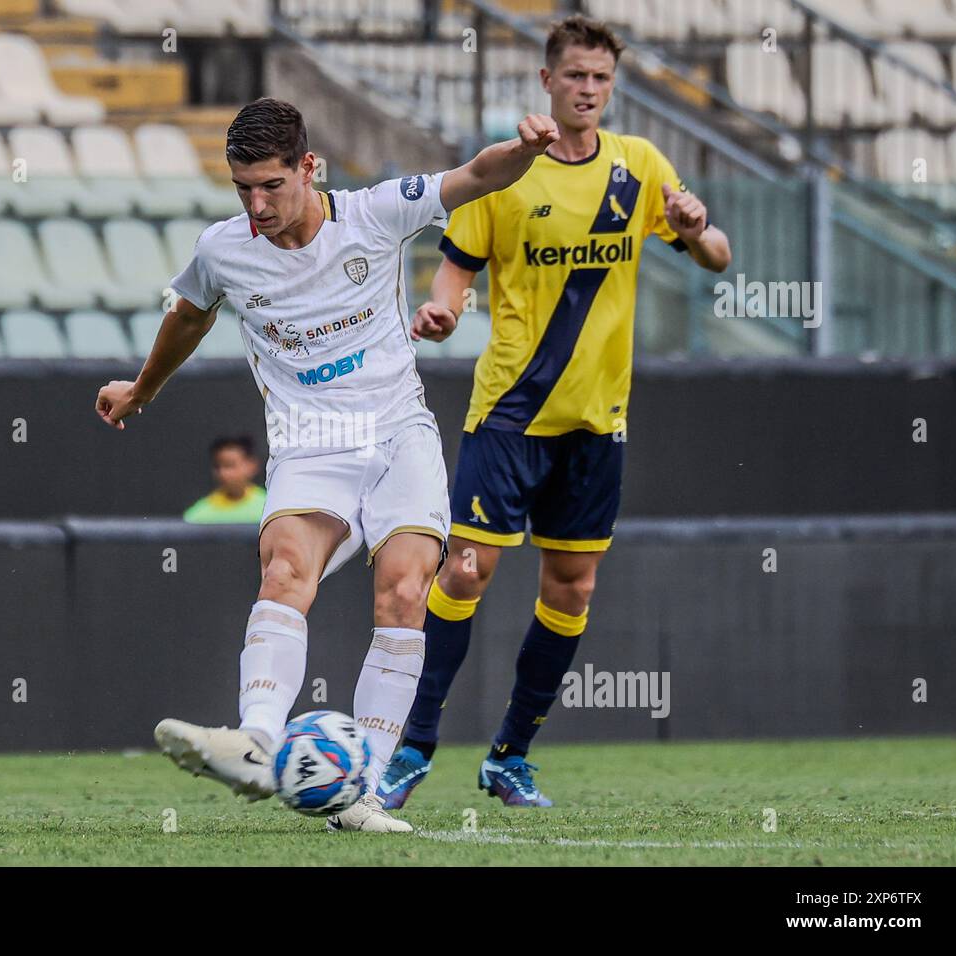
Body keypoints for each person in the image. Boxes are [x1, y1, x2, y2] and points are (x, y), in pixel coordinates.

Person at [96, 97, 559, 832]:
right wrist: (141, 388)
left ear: (309, 168)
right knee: (284, 568)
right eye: (242, 187)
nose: (257, 204)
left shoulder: (375, 213)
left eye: (271, 185)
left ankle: (363, 792)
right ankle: (255, 741)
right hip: (311, 437)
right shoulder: (224, 249)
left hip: (399, 431)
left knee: (407, 591)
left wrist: (529, 150)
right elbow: (188, 314)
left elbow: (475, 174)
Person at [378, 15, 732, 810]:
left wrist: (697, 231)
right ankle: (413, 745)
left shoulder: (638, 167)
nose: (588, 90)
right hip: (509, 412)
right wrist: (438, 314)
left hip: (596, 421)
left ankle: (510, 755)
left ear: (613, 87)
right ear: (546, 80)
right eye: (574, 75)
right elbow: (455, 273)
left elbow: (717, 257)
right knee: (465, 571)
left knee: (572, 588)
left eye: (601, 79)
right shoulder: (510, 171)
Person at [182, 436, 267, 525]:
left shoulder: (269, 508)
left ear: (251, 465)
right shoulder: (197, 516)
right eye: (217, 466)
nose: (222, 473)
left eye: (229, 465)